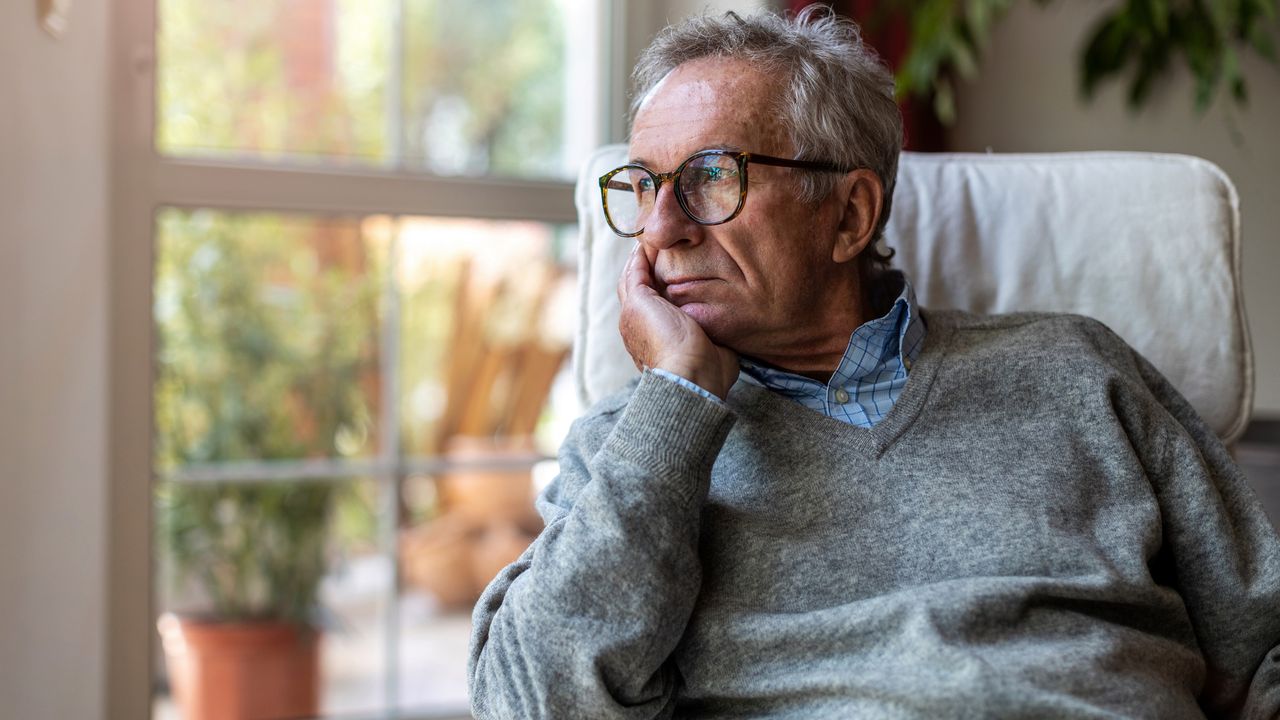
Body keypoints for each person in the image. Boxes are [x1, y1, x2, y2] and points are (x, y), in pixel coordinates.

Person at [467, 8, 1280, 719]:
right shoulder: (633, 448)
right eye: (644, 187)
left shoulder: (1078, 369)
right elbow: (532, 702)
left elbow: (1264, 643)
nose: (660, 230)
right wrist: (676, 400)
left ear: (850, 214)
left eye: (711, 177)